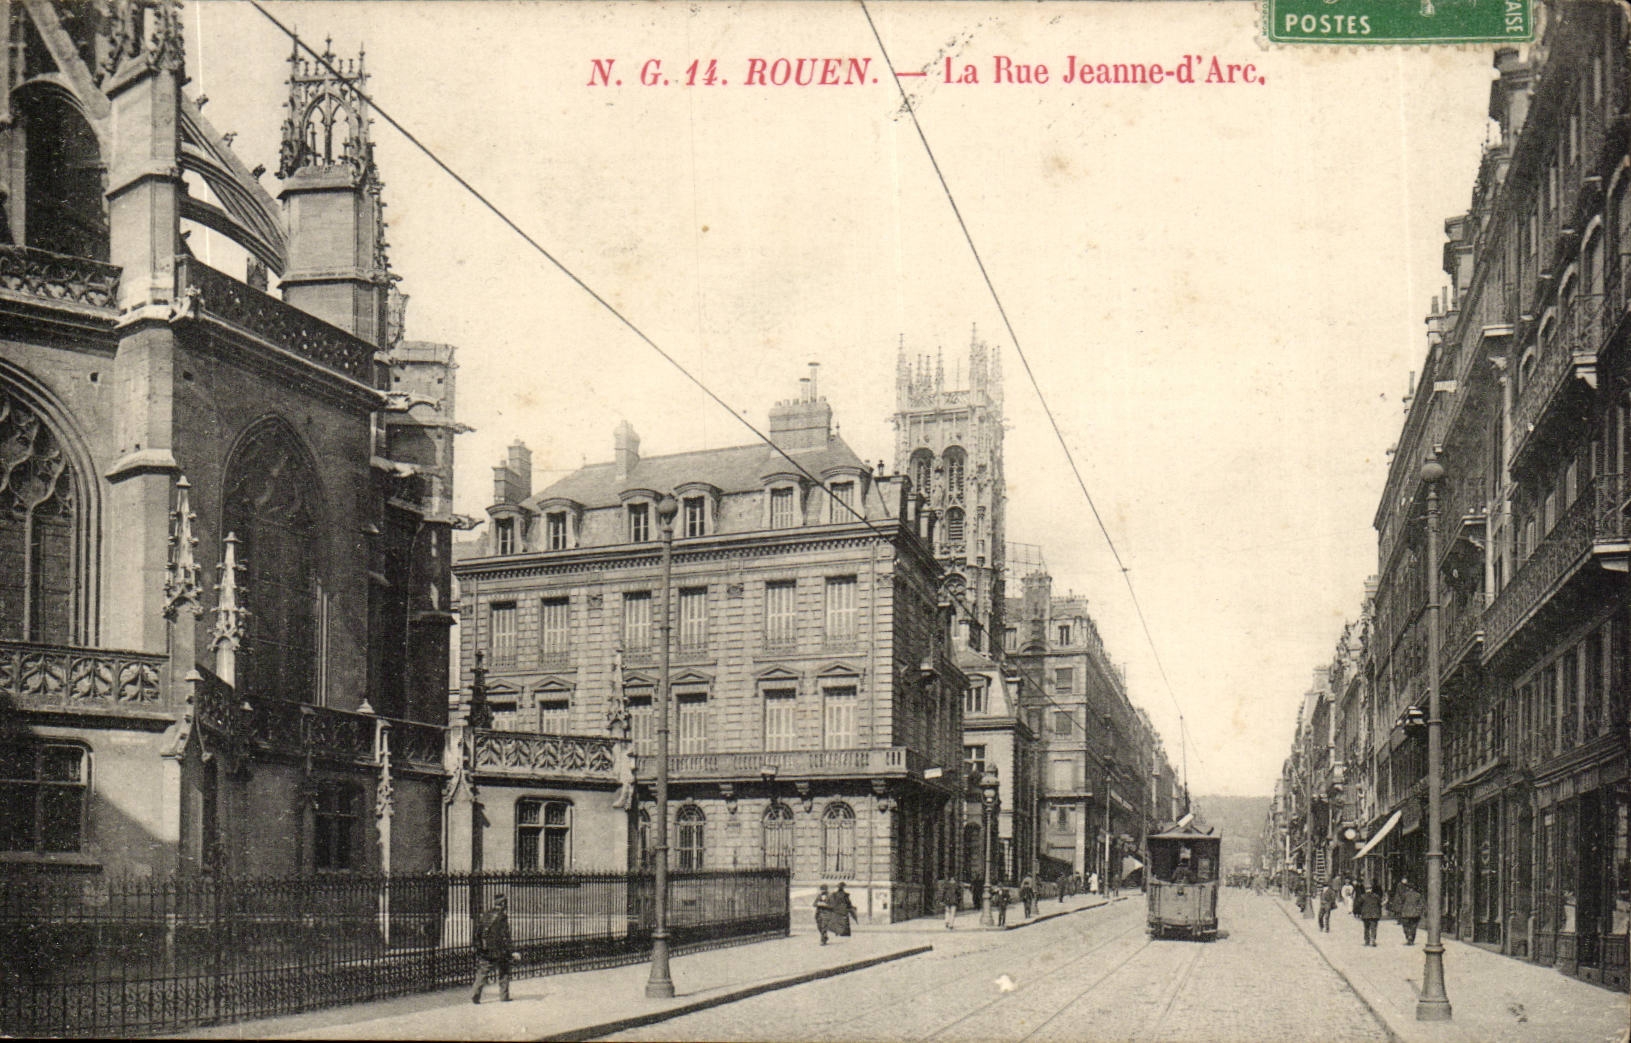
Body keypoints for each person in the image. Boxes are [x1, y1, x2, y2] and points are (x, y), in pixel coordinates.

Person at [470, 894, 516, 1003]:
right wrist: (512, 950)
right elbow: (505, 935)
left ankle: (475, 994)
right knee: (504, 971)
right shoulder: (502, 917)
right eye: (505, 904)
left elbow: (478, 932)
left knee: (482, 972)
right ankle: (504, 996)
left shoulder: (486, 915)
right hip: (499, 950)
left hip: (486, 950)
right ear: (503, 904)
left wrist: (479, 946)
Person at [1392, 877, 1425, 945]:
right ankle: (1411, 938)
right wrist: (1418, 911)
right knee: (1413, 927)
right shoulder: (1418, 895)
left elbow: (1401, 902)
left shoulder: (1405, 895)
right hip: (1415, 914)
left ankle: (1408, 936)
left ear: (1408, 888)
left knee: (1406, 926)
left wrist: (1400, 910)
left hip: (1405, 913)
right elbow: (1421, 904)